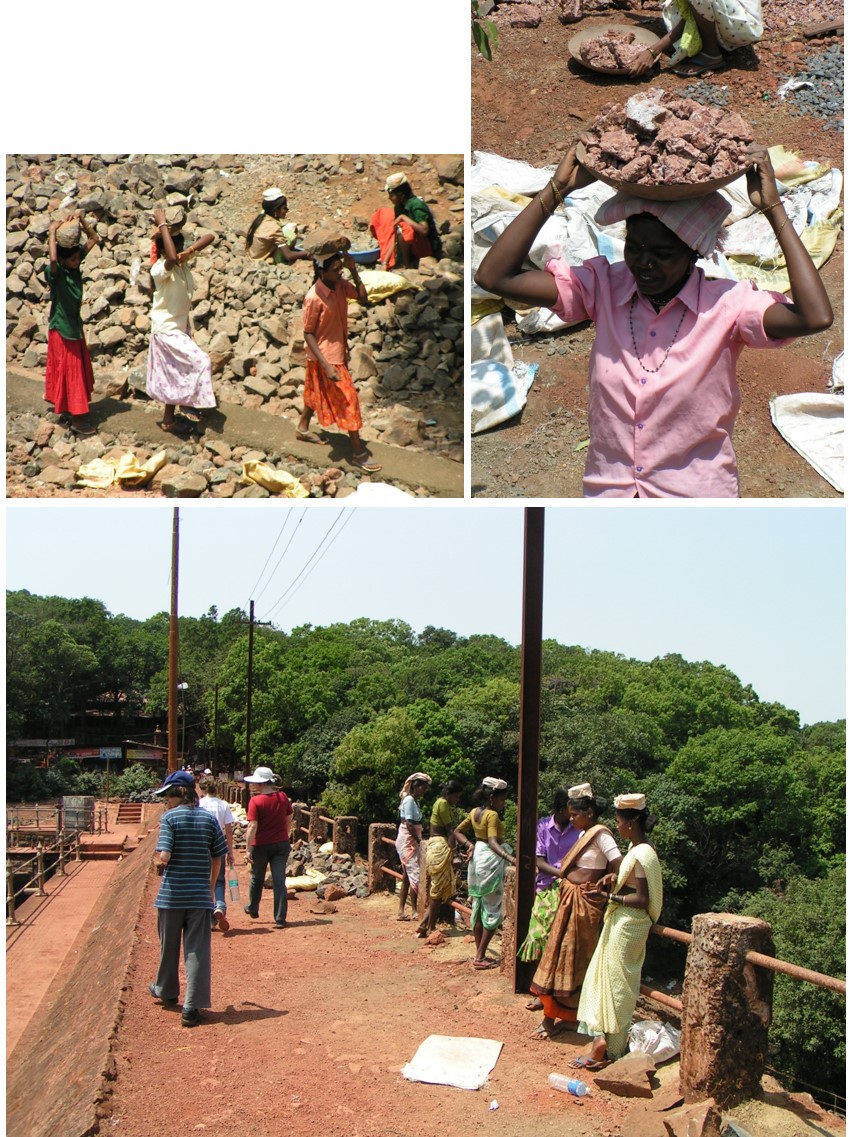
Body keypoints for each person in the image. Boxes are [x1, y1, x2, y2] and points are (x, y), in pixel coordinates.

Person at [475, 143, 832, 498]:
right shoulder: (604, 286)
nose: (644, 263)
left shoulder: (727, 305)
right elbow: (494, 277)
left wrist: (772, 208)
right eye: (635, 247)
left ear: (693, 252)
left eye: (662, 254)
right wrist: (557, 189)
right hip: (610, 491)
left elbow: (814, 317)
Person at [573, 793, 663, 1068]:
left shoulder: (641, 854)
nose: (618, 826)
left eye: (620, 821)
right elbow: (634, 884)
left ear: (632, 821)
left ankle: (608, 1048)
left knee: (615, 985)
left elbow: (642, 899)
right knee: (614, 982)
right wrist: (614, 878)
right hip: (626, 923)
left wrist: (609, 897)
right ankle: (606, 1042)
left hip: (627, 923)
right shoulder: (641, 849)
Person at [529, 787, 623, 1039]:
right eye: (569, 815)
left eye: (575, 815)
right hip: (570, 900)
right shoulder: (584, 834)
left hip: (584, 906)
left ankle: (563, 1019)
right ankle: (554, 1017)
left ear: (589, 812)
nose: (571, 819)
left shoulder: (601, 835)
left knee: (573, 961)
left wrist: (607, 884)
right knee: (558, 957)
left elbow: (620, 865)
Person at [149, 770, 227, 1028]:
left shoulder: (169, 818)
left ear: (177, 794)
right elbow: (218, 857)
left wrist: (159, 858)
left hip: (171, 895)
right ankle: (192, 1007)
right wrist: (210, 887)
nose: (165, 801)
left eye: (167, 796)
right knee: (197, 951)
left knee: (168, 946)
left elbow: (165, 856)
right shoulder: (209, 819)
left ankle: (166, 991)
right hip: (199, 896)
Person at [297, 248, 381, 471]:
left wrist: (353, 270)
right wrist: (326, 366)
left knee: (314, 391)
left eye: (340, 268)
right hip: (325, 357)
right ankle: (358, 453)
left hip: (337, 352)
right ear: (321, 271)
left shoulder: (340, 285)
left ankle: (302, 428)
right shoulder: (313, 297)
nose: (339, 273)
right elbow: (308, 333)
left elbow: (363, 298)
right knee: (349, 400)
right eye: (336, 270)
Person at [146, 206, 217, 436]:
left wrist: (190, 251)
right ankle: (189, 403)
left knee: (173, 371)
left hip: (179, 328)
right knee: (202, 361)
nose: (179, 252)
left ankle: (168, 420)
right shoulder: (160, 269)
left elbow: (210, 236)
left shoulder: (182, 263)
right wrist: (162, 224)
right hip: (166, 330)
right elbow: (170, 257)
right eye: (176, 247)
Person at [517, 787, 579, 1006]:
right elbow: (539, 861)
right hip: (546, 888)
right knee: (539, 938)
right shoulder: (542, 826)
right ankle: (540, 993)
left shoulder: (578, 830)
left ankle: (553, 996)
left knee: (560, 942)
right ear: (561, 809)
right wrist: (562, 873)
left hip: (569, 889)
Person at [44, 212, 101, 437]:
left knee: (74, 372)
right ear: (64, 260)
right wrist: (51, 233)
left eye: (78, 258)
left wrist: (82, 220)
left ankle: (70, 411)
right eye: (73, 259)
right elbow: (52, 261)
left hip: (74, 328)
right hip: (62, 331)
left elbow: (94, 239)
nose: (77, 262)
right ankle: (78, 420)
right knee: (72, 372)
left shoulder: (74, 265)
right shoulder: (57, 274)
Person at [453, 777, 516, 969]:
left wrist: (469, 845)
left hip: (477, 858)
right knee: (492, 908)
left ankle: (479, 953)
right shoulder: (492, 815)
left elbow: (457, 831)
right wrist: (511, 858)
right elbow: (493, 842)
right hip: (489, 860)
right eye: (502, 799)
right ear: (492, 798)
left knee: (479, 906)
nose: (503, 803)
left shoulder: (474, 812)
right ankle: (480, 956)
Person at [627, 0, 763, 78]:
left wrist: (654, 50)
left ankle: (711, 54)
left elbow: (690, 15)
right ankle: (711, 38)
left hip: (744, 27)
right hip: (731, 21)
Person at [416, 778, 468, 937]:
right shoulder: (443, 804)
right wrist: (456, 854)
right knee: (437, 891)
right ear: (448, 794)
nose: (457, 800)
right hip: (440, 848)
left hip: (436, 846)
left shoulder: (440, 803)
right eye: (456, 796)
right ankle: (431, 928)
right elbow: (451, 830)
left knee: (439, 890)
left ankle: (423, 925)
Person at [243, 765, 293, 928]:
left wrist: (248, 849)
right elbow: (289, 818)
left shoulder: (255, 801)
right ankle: (280, 917)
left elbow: (252, 826)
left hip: (260, 845)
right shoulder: (282, 797)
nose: (253, 785)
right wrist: (285, 835)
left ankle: (253, 907)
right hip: (281, 844)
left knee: (257, 877)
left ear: (261, 783)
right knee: (279, 880)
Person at [197, 776, 235, 933]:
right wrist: (230, 851)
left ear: (203, 789)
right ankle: (220, 905)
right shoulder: (223, 804)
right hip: (218, 845)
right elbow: (229, 831)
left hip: (201, 846)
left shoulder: (199, 804)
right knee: (219, 880)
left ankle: (210, 918)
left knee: (205, 881)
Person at [383, 173, 443, 267]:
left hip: (427, 247)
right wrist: (385, 262)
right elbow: (394, 234)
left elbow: (424, 230)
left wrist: (403, 217)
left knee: (403, 228)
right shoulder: (398, 207)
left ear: (400, 195)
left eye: (391, 195)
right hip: (414, 245)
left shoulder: (416, 204)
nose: (389, 198)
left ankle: (407, 264)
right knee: (398, 228)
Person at [395, 772, 432, 921]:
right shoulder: (410, 800)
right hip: (408, 842)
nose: (424, 791)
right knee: (415, 875)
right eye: (423, 788)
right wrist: (419, 840)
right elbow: (409, 824)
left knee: (406, 877)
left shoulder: (415, 801)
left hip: (409, 840)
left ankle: (402, 910)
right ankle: (416, 911)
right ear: (416, 787)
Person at [245, 188, 311, 264]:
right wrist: (306, 253)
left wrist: (301, 236)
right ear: (276, 210)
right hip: (261, 261)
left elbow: (282, 225)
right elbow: (288, 255)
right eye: (284, 208)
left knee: (289, 230)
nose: (287, 210)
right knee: (291, 230)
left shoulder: (263, 215)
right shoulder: (274, 228)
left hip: (252, 256)